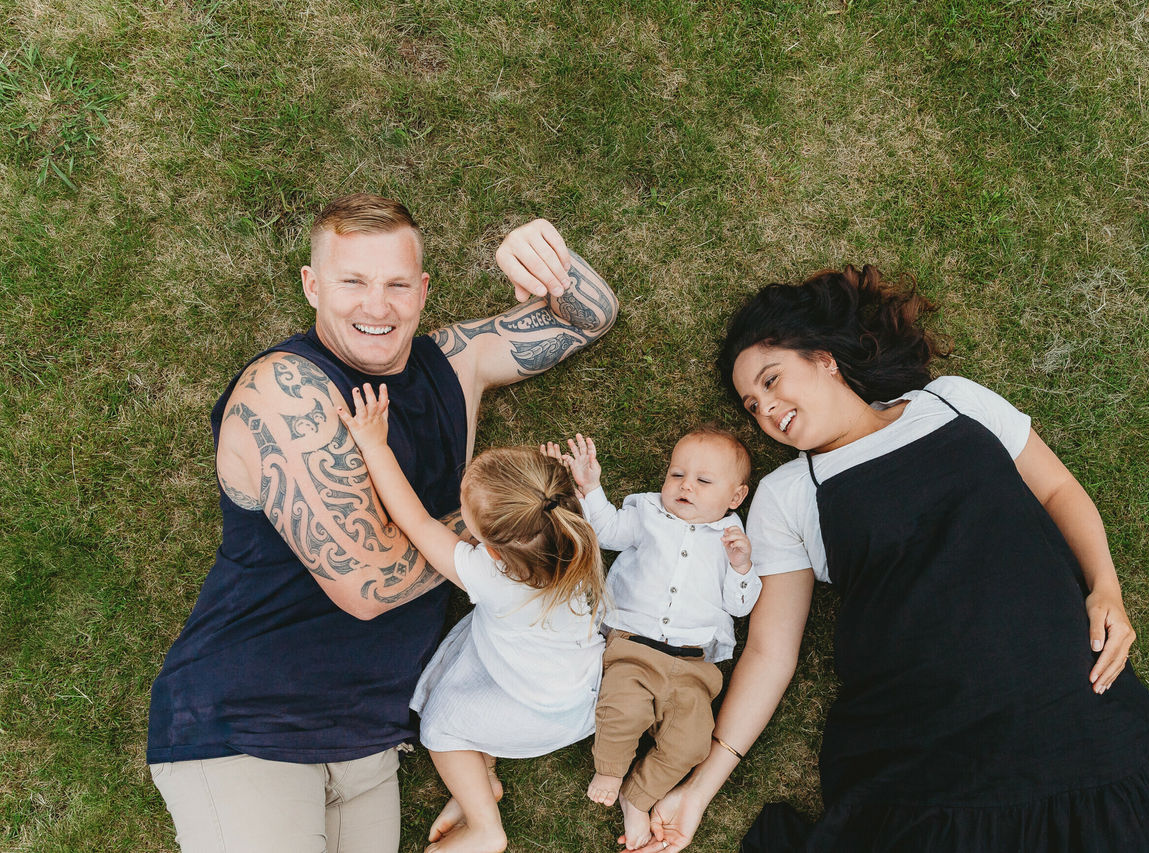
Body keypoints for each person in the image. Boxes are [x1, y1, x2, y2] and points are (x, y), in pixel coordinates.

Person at [637, 265, 1149, 852]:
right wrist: (701, 787)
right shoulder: (789, 494)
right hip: (937, 727)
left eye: (772, 379)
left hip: (1063, 688)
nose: (766, 408)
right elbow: (770, 652)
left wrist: (1105, 588)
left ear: (824, 360)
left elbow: (1058, 491)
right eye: (752, 404)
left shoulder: (952, 402)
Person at [145, 193, 618, 853]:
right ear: (312, 286)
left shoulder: (457, 361)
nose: (377, 305)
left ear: (423, 291)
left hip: (369, 740)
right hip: (248, 725)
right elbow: (370, 583)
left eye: (397, 284)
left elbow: (591, 318)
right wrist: (524, 527)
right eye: (353, 282)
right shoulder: (286, 389)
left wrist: (546, 259)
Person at [342, 384, 607, 853]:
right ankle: (480, 775)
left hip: (544, 708)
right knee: (456, 663)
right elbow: (545, 502)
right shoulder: (572, 537)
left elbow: (416, 522)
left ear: (495, 550)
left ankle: (485, 826)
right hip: (570, 678)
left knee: (440, 726)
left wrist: (374, 444)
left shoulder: (492, 577)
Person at [545, 430, 759, 849]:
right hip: (634, 647)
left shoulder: (735, 540)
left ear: (735, 497)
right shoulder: (647, 512)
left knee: (693, 744)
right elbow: (606, 532)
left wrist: (742, 566)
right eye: (677, 473)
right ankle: (610, 770)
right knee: (621, 709)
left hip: (694, 666)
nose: (685, 485)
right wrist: (590, 487)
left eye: (703, 481)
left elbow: (740, 605)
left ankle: (637, 794)